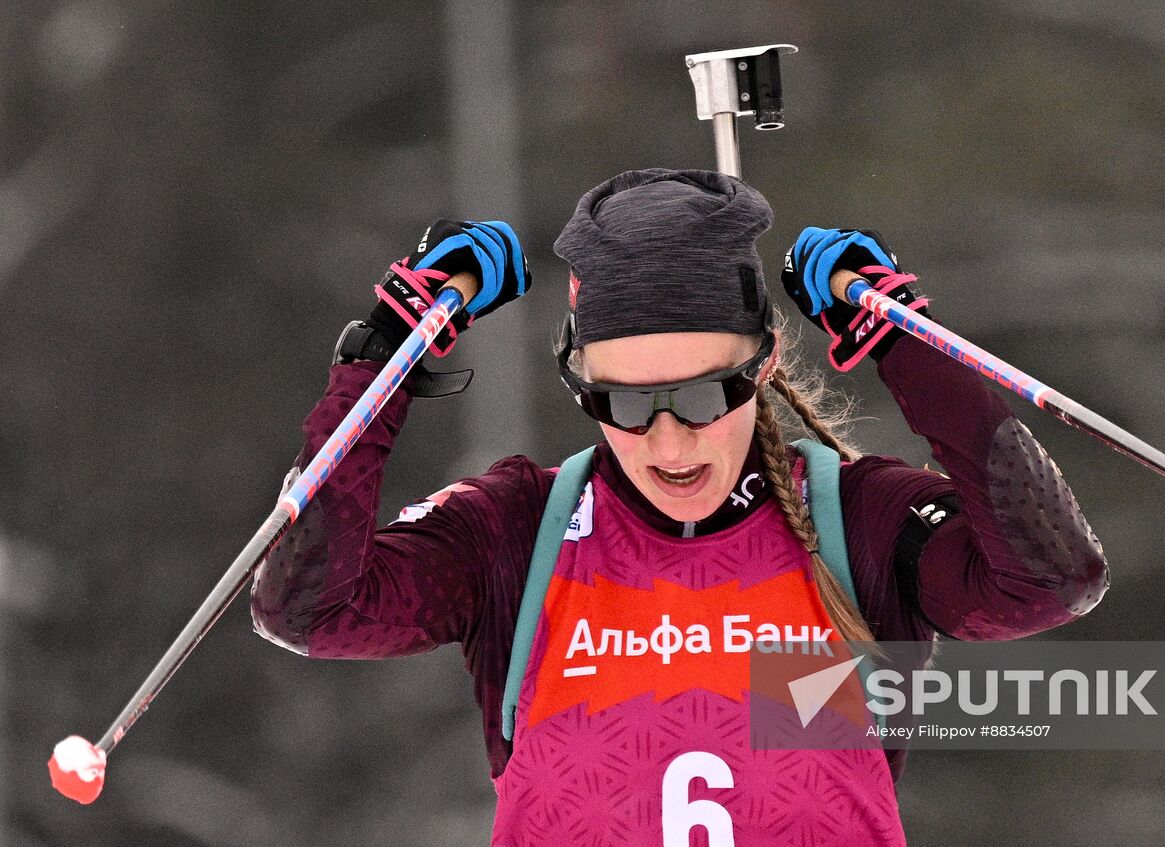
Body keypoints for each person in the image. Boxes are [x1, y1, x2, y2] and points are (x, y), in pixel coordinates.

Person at [250, 168, 1109, 846]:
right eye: (623, 403)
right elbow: (306, 605)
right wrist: (388, 354)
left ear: (764, 365)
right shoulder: (517, 535)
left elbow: (1047, 578)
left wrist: (904, 338)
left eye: (704, 397)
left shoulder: (858, 525)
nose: (668, 444)